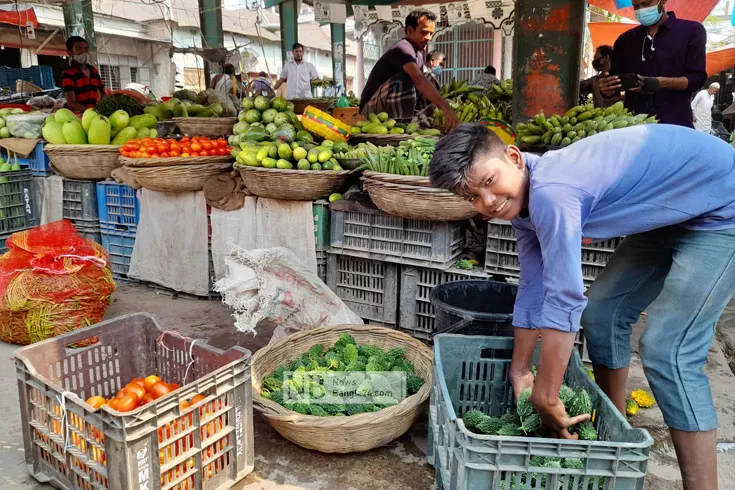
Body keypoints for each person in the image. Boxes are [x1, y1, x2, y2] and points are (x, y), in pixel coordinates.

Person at [429, 123, 735, 490]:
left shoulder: (554, 191)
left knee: (669, 350)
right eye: (474, 197)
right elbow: (533, 287)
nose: (488, 201)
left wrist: (546, 394)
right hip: (673, 210)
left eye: (490, 181)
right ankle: (613, 438)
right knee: (603, 313)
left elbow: (565, 297)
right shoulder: (523, 205)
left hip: (723, 206)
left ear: (513, 157)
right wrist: (520, 371)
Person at [599, 0, 707, 127]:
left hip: (675, 124)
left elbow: (697, 78)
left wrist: (660, 83)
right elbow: (615, 85)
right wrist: (607, 88)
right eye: (636, 6)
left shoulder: (691, 31)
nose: (641, 10)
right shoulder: (625, 40)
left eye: (646, 3)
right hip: (633, 126)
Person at [359, 10, 459, 131]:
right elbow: (418, 79)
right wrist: (445, 106)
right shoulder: (403, 49)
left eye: (431, 33)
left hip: (386, 106)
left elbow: (424, 83)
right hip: (370, 111)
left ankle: (419, 121)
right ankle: (402, 125)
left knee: (429, 79)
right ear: (410, 30)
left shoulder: (419, 55)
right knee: (404, 80)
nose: (428, 37)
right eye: (424, 32)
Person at [60, 36, 105, 111]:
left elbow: (103, 92)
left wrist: (101, 106)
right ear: (70, 53)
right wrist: (90, 111)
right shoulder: (69, 74)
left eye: (86, 48)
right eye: (78, 48)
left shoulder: (93, 71)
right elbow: (71, 103)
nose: (84, 51)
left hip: (95, 113)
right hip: (79, 115)